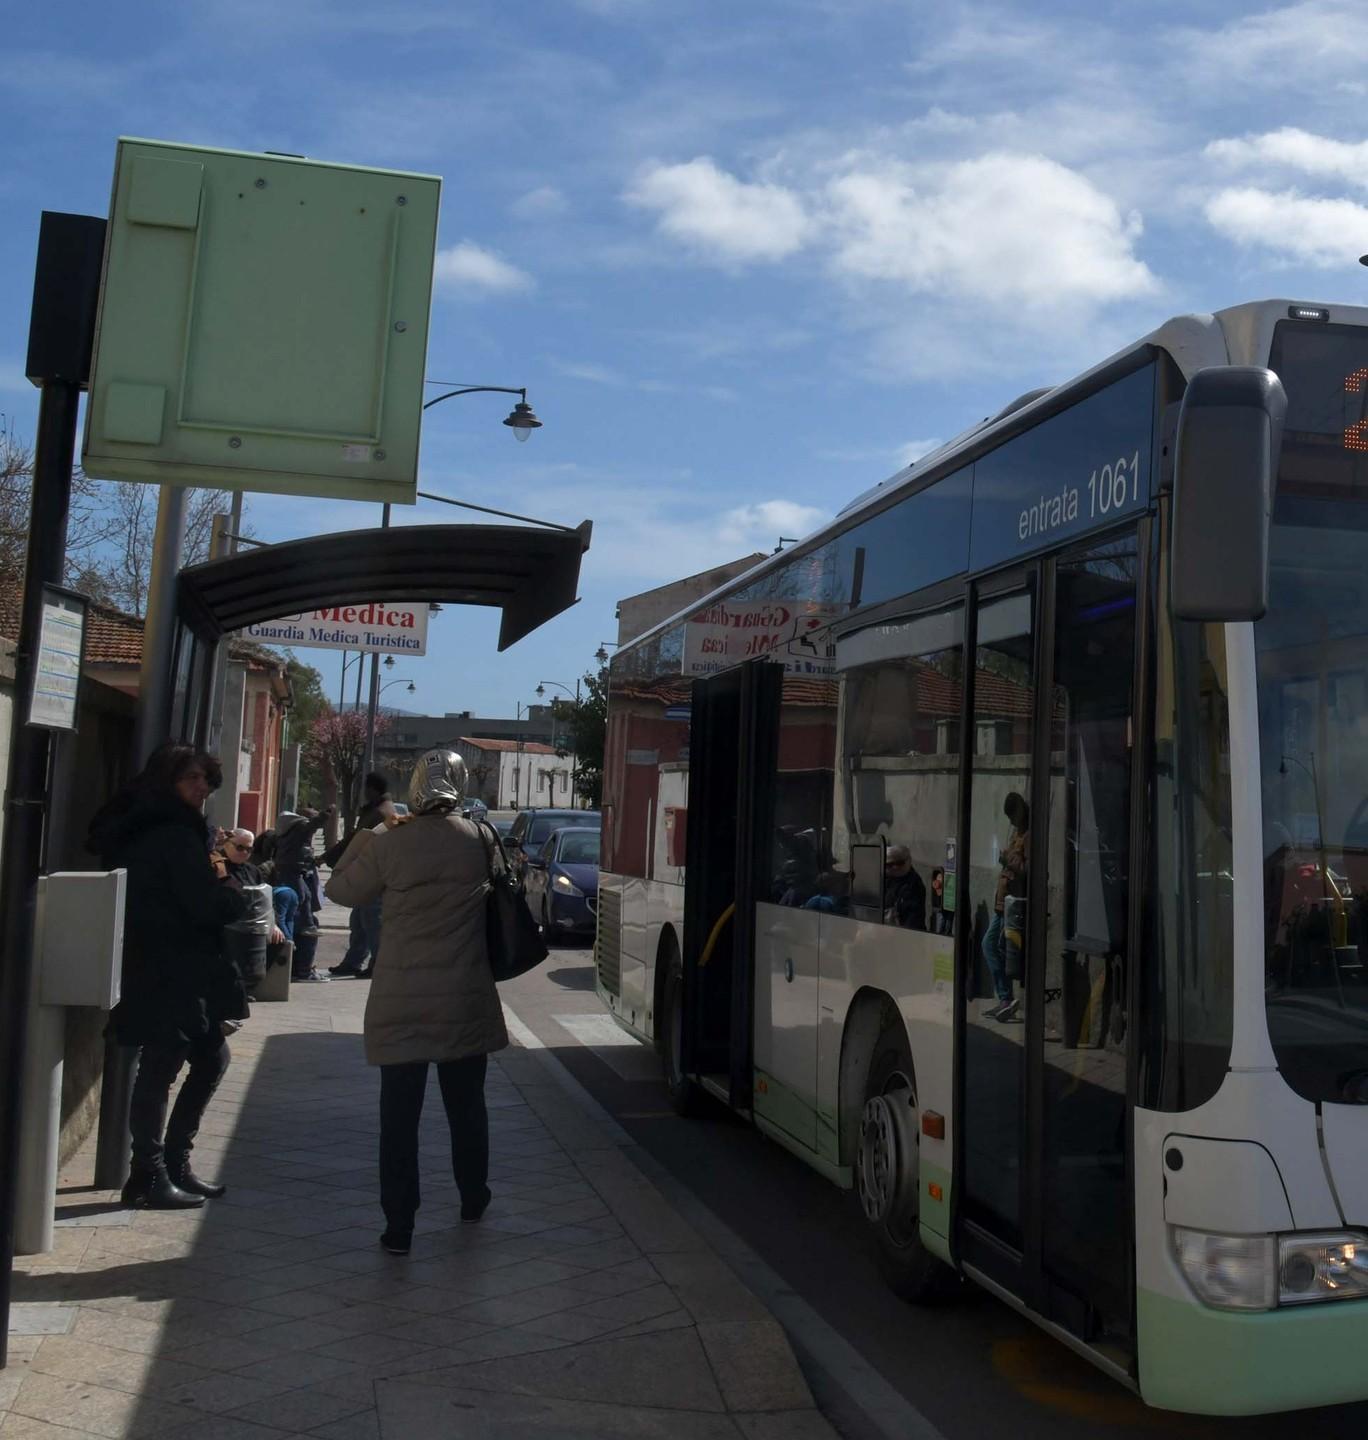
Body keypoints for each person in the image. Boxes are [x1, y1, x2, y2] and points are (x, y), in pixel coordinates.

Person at [325, 749, 507, 1256]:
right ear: (461, 783)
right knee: (467, 1108)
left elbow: (340, 890)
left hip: (400, 1000)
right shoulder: (480, 838)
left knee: (399, 1119)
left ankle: (400, 1225)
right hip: (463, 997)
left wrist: (373, 832)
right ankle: (473, 1198)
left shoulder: (392, 841)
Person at [87, 743, 248, 1209]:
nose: (202, 788)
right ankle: (149, 1173)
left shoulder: (162, 825)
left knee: (208, 1057)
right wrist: (232, 892)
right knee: (162, 1065)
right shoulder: (171, 833)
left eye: (206, 779)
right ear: (167, 781)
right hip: (167, 965)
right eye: (191, 778)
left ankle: (172, 1163)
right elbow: (203, 904)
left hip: (171, 964)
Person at [329, 774, 398, 978]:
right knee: (359, 920)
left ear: (373, 789)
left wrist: (331, 857)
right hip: (367, 872)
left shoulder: (381, 812)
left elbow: (357, 841)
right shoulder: (380, 810)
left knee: (371, 920)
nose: (364, 793)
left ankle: (376, 963)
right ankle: (353, 962)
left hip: (373, 874)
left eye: (366, 789)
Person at [982, 792, 1030, 1022]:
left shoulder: (1028, 836)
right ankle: (1004, 997)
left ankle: (1005, 997)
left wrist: (1007, 860)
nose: (1011, 822)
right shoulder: (1017, 833)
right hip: (1003, 902)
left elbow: (1027, 870)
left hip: (1013, 903)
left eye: (1013, 816)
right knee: (992, 945)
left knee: (992, 945)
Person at [275, 807, 332, 982]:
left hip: (291, 872)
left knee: (302, 904)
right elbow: (312, 825)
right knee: (305, 908)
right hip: (294, 873)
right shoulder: (300, 828)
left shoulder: (288, 832)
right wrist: (325, 814)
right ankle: (303, 970)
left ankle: (298, 968)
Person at [883, 844, 927, 929]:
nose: (895, 867)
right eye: (890, 864)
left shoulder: (913, 884)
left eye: (899, 863)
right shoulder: (885, 879)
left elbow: (913, 919)